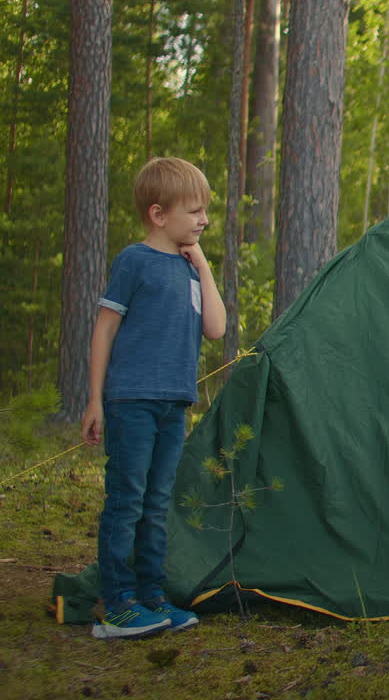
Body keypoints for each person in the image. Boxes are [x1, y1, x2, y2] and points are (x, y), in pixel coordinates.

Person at [79, 157, 227, 639]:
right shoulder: (134, 261)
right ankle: (118, 603)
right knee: (127, 500)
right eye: (195, 211)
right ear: (159, 214)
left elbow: (216, 328)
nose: (204, 220)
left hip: (174, 404)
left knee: (157, 502)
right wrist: (95, 400)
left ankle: (152, 597)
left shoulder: (188, 270)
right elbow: (104, 330)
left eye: (205, 211)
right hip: (131, 401)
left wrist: (201, 263)